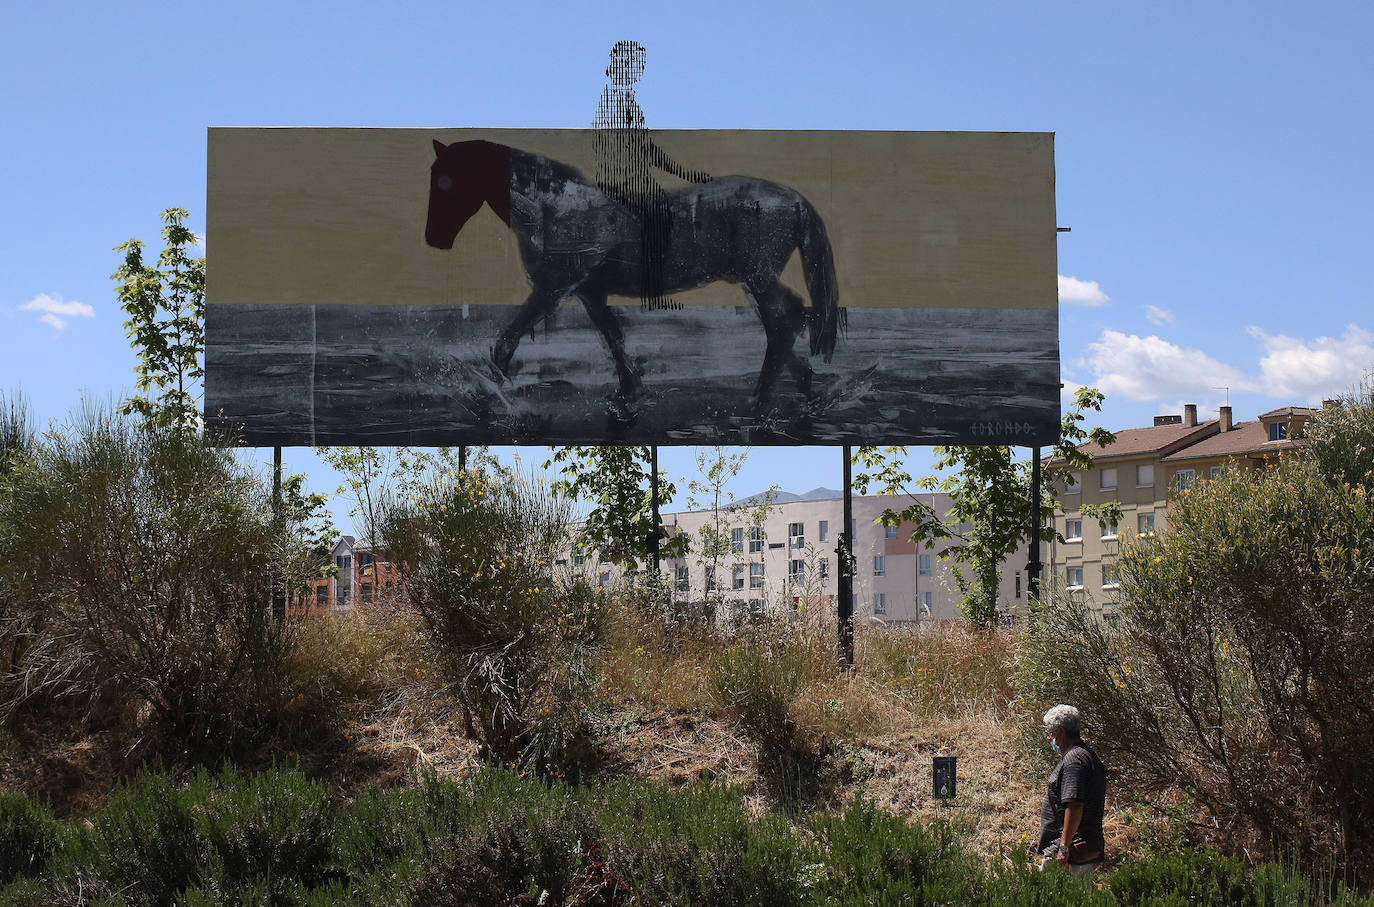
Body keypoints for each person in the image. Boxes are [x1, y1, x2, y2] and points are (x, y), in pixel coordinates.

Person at [592, 40, 711, 310]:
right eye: (636, 64)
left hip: (632, 179)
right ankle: (652, 290)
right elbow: (628, 147)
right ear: (621, 64)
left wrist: (685, 173)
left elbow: (647, 148)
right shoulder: (614, 98)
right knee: (658, 212)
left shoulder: (628, 98)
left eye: (641, 66)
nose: (639, 70)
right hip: (623, 181)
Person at [1035, 704, 1106, 874]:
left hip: (1070, 853)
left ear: (1061, 732)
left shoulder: (1074, 761)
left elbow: (1074, 806)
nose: (1049, 738)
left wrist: (1064, 848)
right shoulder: (1086, 755)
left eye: (1050, 733)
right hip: (1081, 849)